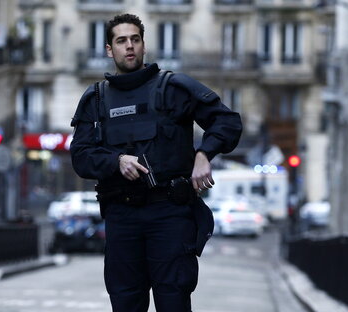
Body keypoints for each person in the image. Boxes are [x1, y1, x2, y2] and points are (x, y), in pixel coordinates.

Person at [70, 13, 242, 312]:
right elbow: (81, 156)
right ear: (110, 49)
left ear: (144, 45)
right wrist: (116, 161)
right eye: (121, 41)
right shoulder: (96, 99)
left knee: (173, 300)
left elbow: (227, 122)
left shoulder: (173, 88)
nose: (129, 46)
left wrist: (204, 154)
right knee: (125, 302)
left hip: (170, 213)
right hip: (122, 215)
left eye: (135, 39)